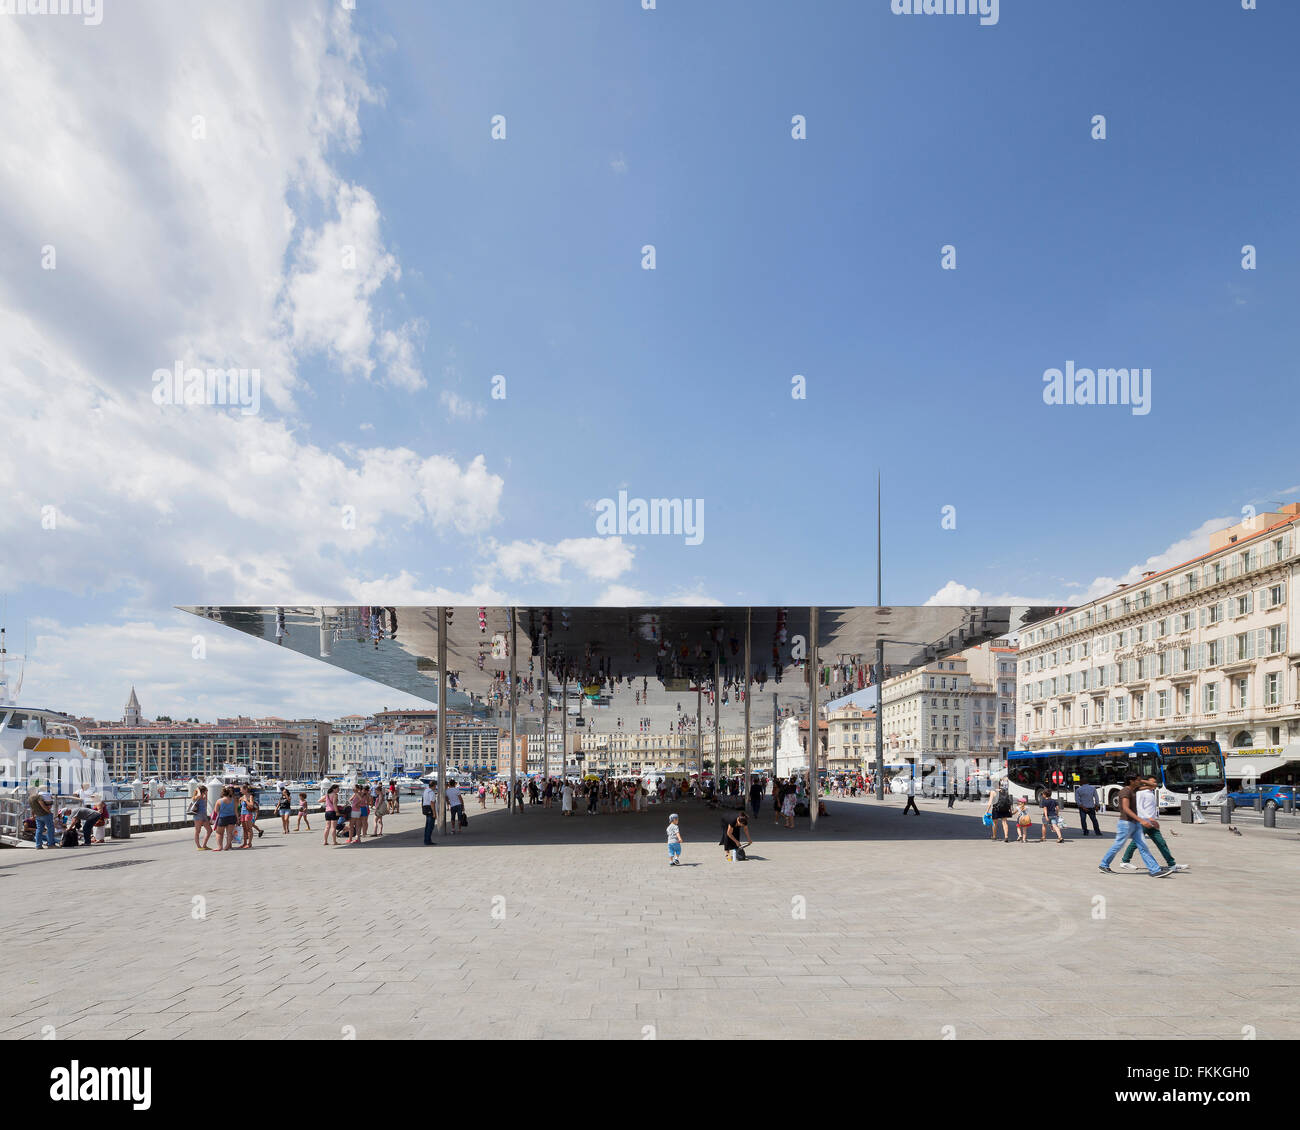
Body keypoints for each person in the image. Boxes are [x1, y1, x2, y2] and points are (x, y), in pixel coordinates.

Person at [1099, 774, 1174, 878]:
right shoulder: (1125, 791)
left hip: (1135, 823)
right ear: (1131, 781)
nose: (1140, 782)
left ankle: (1154, 870)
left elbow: (1153, 785)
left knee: (1143, 847)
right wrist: (1141, 820)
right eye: (1138, 780)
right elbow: (1126, 808)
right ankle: (1104, 864)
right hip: (1126, 823)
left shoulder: (1135, 789)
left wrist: (1140, 780)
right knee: (1118, 845)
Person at [1119, 775, 1187, 872]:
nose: (1153, 784)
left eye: (1154, 782)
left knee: (1161, 843)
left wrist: (1153, 819)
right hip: (1143, 822)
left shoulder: (1151, 792)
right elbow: (1139, 807)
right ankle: (1125, 861)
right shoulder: (1141, 793)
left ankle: (1172, 864)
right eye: (1151, 782)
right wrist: (1149, 818)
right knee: (1135, 843)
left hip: (1151, 823)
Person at [30, 784, 55, 850]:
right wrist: (49, 811)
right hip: (45, 814)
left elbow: (32, 808)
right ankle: (50, 844)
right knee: (50, 829)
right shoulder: (38, 797)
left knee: (39, 829)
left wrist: (33, 815)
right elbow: (42, 805)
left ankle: (38, 845)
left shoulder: (30, 798)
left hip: (37, 815)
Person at [190, 785, 212, 850]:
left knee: (209, 830)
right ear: (202, 791)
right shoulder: (196, 797)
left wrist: (205, 795)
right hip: (198, 815)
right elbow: (198, 796)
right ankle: (199, 846)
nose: (207, 792)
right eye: (206, 791)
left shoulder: (203, 797)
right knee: (198, 831)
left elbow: (205, 805)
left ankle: (204, 845)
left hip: (204, 815)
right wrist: (198, 790)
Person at [421, 780, 438, 846]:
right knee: (430, 826)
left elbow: (423, 800)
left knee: (427, 826)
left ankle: (426, 839)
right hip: (430, 809)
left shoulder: (426, 791)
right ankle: (428, 840)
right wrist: (434, 813)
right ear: (434, 785)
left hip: (426, 808)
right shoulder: (431, 792)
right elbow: (432, 802)